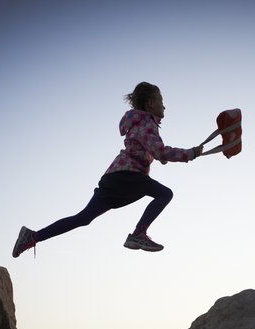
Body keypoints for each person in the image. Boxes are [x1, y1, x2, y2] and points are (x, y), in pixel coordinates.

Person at [11, 82, 203, 257]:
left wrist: (157, 156)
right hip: (127, 176)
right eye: (161, 101)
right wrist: (191, 153)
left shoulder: (138, 123)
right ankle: (138, 233)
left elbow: (151, 150)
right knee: (165, 194)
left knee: (83, 218)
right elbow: (160, 151)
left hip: (114, 178)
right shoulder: (147, 122)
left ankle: (32, 237)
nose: (164, 106)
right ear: (151, 103)